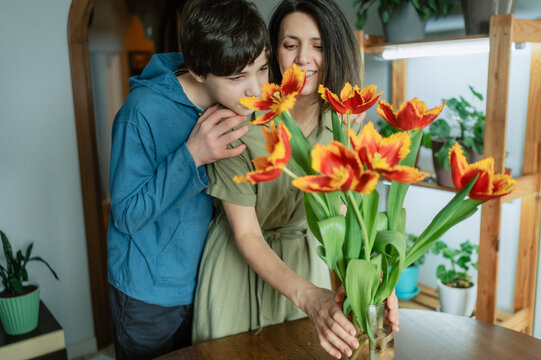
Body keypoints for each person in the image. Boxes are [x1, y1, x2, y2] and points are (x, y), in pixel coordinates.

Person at [192, 0, 398, 359]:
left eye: (318, 46)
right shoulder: (237, 120)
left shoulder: (345, 121)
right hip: (239, 269)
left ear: (334, 50)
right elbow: (247, 234)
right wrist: (309, 297)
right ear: (272, 52)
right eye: (291, 45)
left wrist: (377, 277)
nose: (304, 58)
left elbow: (355, 215)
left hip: (310, 266)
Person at [107, 1, 270, 359]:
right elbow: (125, 213)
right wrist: (192, 155)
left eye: (262, 68)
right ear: (198, 71)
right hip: (146, 297)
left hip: (206, 284)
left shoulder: (237, 107)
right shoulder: (141, 113)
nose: (256, 89)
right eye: (237, 78)